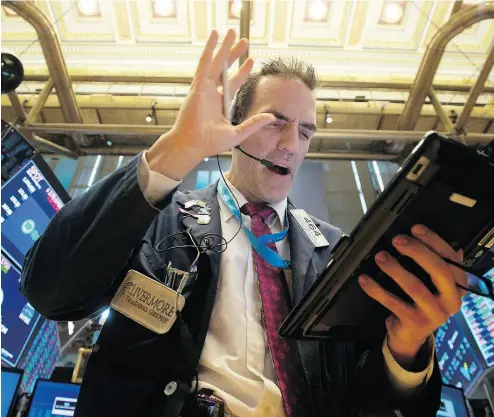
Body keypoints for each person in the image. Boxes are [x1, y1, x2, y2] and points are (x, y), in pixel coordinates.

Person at [21, 30, 467, 417]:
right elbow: (49, 290)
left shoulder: (338, 253)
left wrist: (407, 348)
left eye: (307, 131)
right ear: (233, 125)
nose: (293, 144)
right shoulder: (158, 217)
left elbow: (369, 398)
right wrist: (175, 149)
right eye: (276, 122)